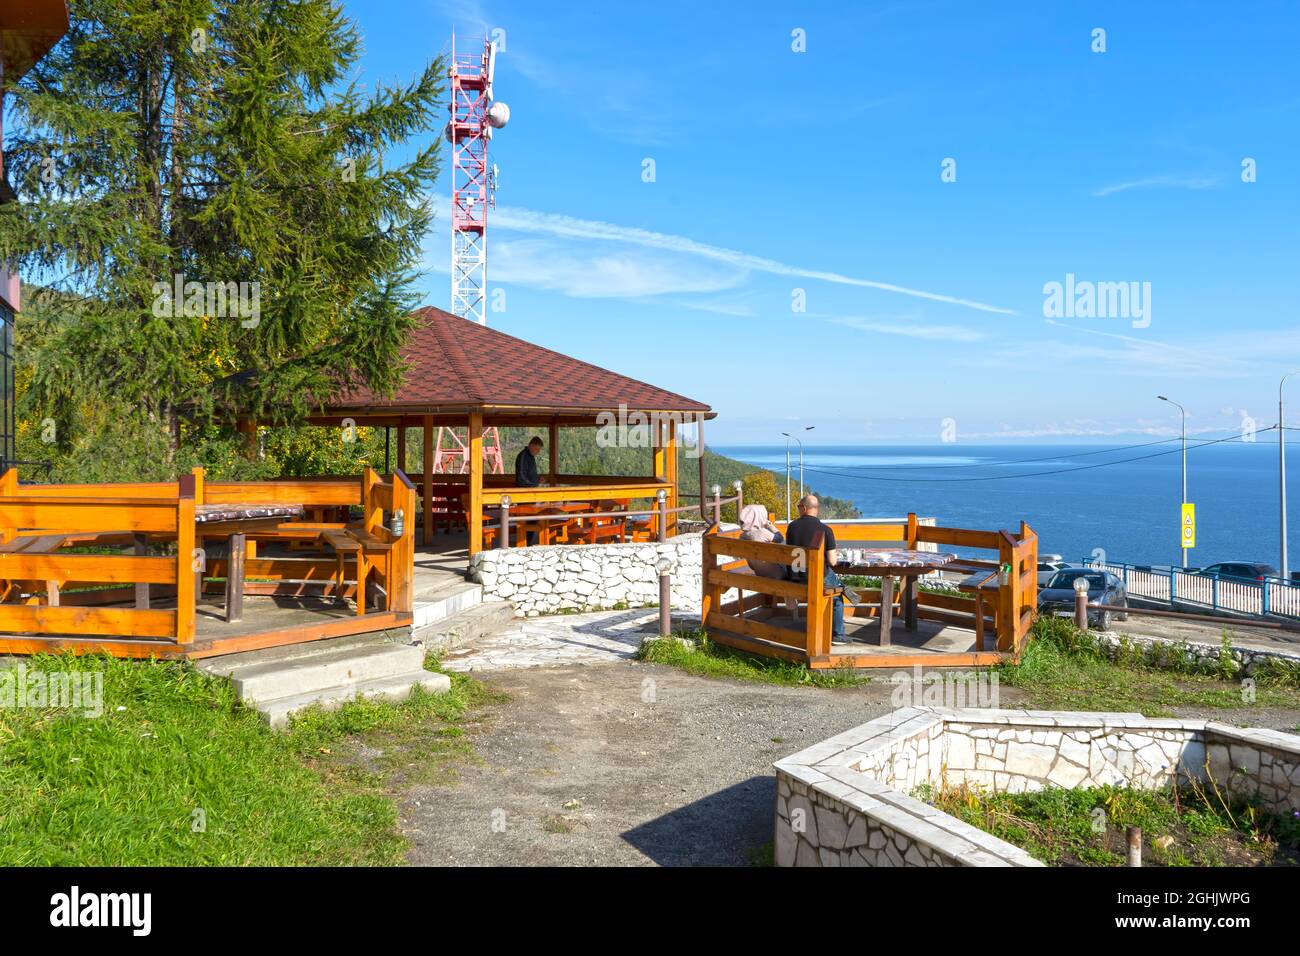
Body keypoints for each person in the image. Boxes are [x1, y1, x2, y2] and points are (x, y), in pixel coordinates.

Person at [784, 495, 847, 643]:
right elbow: (832, 561)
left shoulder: (792, 527)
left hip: (796, 577)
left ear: (804, 508)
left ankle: (842, 587)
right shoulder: (825, 530)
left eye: (799, 507)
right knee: (838, 596)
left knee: (833, 580)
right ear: (815, 509)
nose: (798, 509)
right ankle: (838, 635)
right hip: (816, 579)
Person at [739, 503, 799, 617]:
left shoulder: (743, 536)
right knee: (794, 568)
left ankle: (788, 595)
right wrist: (771, 527)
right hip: (776, 573)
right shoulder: (761, 532)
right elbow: (780, 539)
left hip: (759, 571)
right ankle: (790, 594)